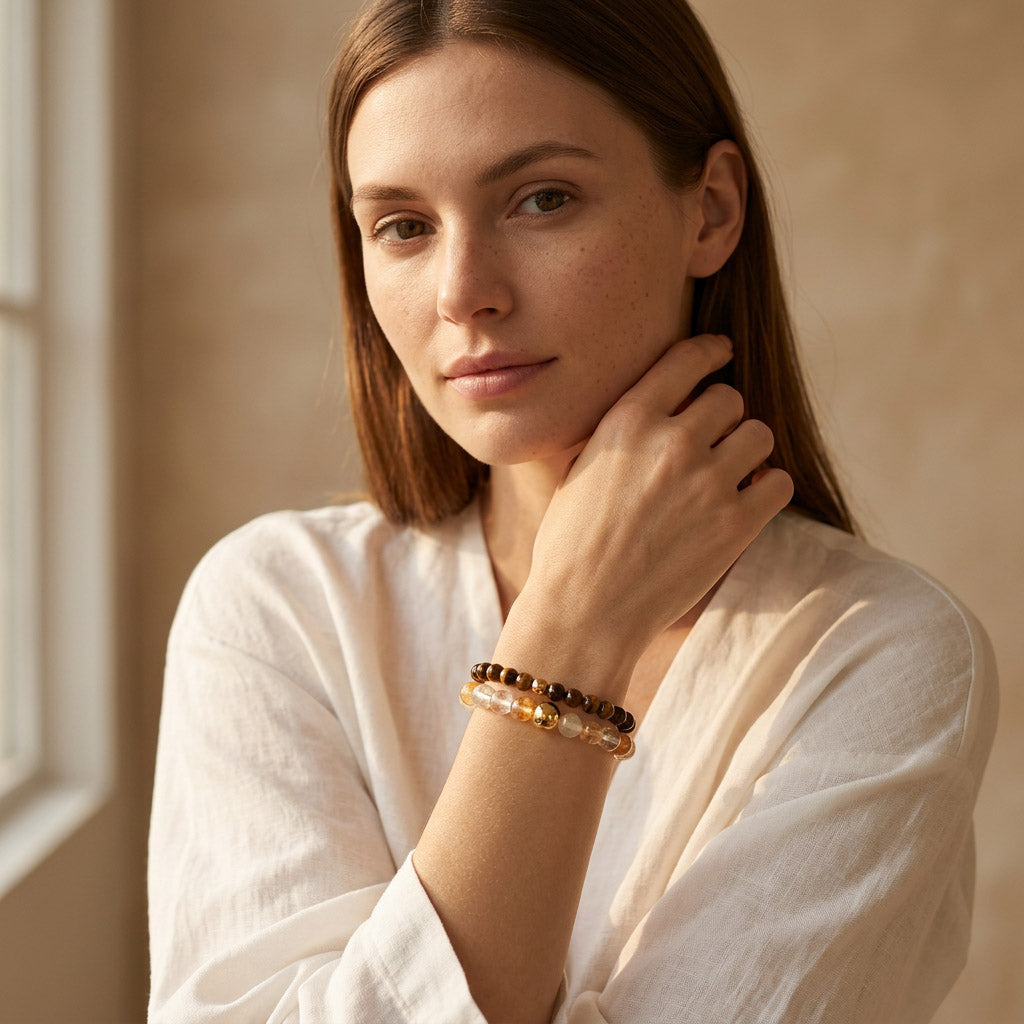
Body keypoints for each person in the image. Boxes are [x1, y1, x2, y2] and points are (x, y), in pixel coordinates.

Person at [147, 1, 998, 1021]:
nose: (463, 292)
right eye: (404, 226)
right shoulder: (276, 608)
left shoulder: (881, 655)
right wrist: (569, 632)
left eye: (541, 199)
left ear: (711, 210)